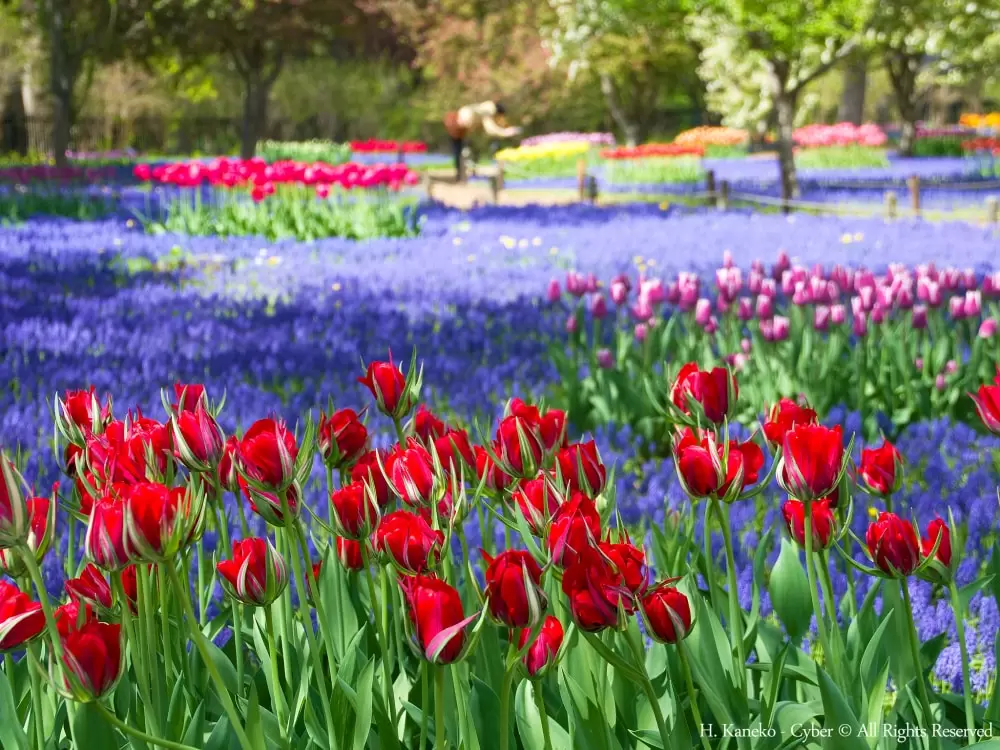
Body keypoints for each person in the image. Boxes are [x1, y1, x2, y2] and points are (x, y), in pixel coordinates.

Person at [443, 100, 521, 180]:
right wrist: (506, 132)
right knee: (463, 151)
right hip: (458, 128)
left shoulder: (485, 107)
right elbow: (491, 129)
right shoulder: (488, 110)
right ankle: (462, 173)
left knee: (459, 151)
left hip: (460, 129)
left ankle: (460, 174)